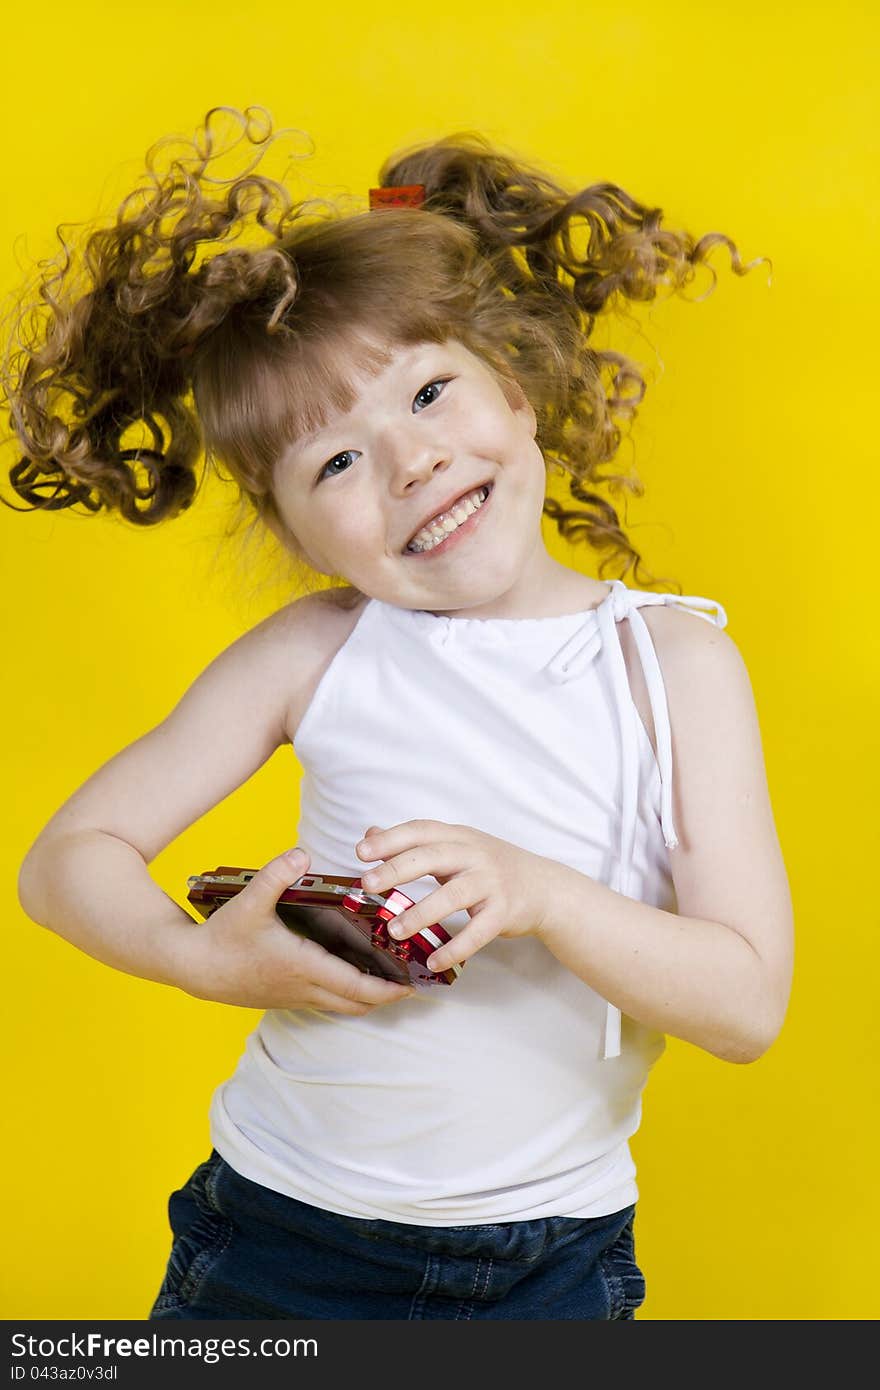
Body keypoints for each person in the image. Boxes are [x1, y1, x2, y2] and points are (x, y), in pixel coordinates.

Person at [6, 106, 793, 1321]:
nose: (409, 462)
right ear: (291, 532)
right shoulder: (316, 653)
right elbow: (65, 860)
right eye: (333, 464)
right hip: (280, 1239)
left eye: (428, 393)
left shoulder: (671, 663)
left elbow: (745, 1005)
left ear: (521, 390)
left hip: (556, 1261)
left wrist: (540, 894)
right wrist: (198, 959)